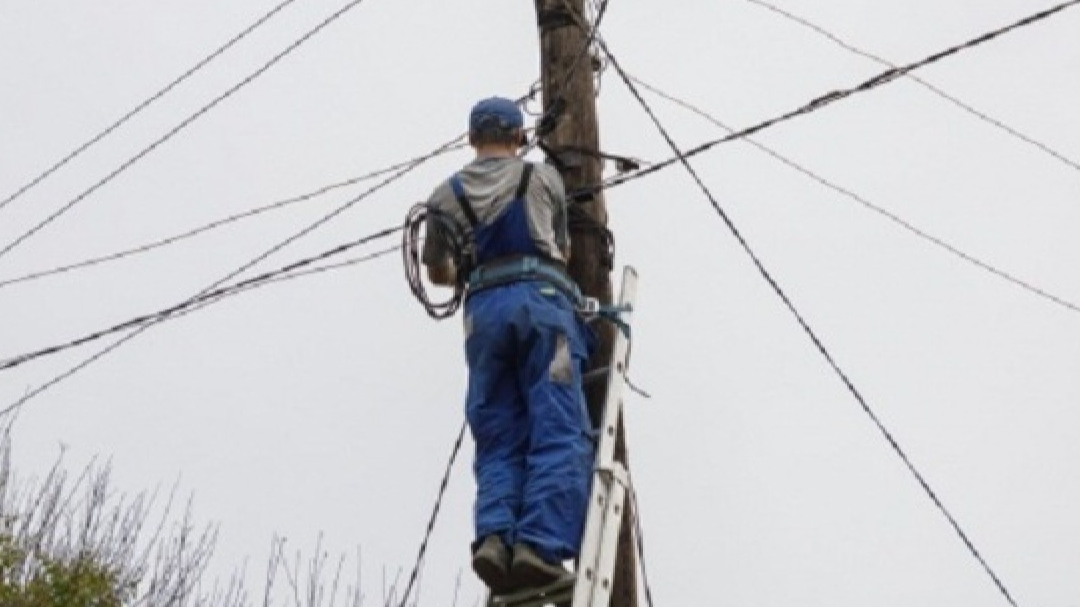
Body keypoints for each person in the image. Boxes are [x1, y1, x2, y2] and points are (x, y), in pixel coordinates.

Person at [422, 96, 595, 594]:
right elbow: (560, 248)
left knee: (498, 432)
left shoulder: (444, 196)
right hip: (542, 306)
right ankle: (539, 545)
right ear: (518, 136)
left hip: (484, 318)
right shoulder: (541, 178)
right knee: (557, 424)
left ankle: (495, 539)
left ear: (472, 138)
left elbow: (438, 273)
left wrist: (465, 267)